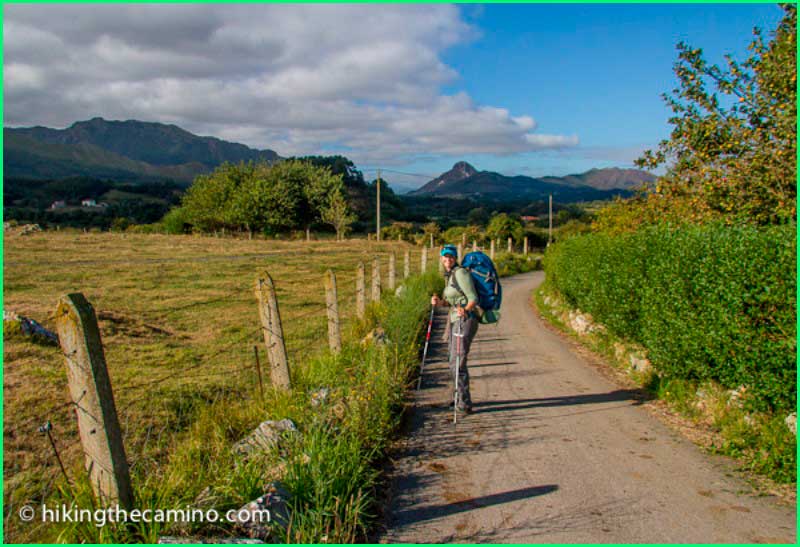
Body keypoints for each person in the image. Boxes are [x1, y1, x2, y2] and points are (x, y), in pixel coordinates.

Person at [430, 244, 479, 413]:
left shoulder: (461, 273)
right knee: (453, 360)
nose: (448, 259)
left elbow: (473, 298)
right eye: (445, 256)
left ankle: (464, 404)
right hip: (453, 320)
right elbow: (451, 302)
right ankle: (458, 397)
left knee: (458, 361)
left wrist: (466, 309)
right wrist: (439, 303)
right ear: (441, 258)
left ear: (455, 258)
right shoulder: (450, 275)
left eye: (451, 256)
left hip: (464, 320)